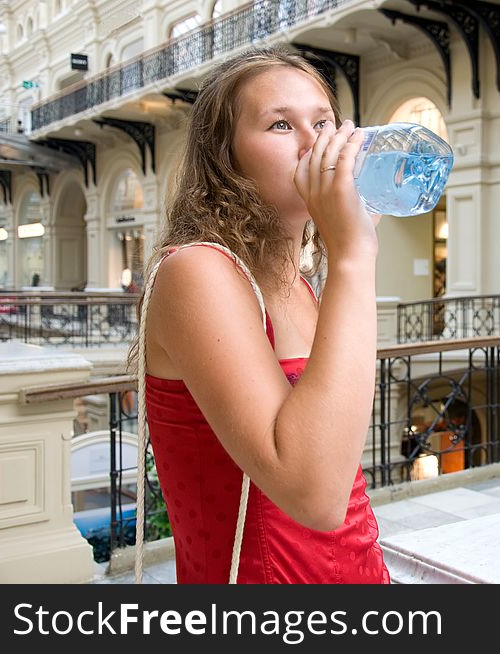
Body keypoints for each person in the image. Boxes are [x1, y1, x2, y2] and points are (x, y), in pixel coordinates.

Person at [128, 46, 388, 583]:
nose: (316, 144)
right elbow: (313, 495)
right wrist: (353, 255)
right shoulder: (196, 271)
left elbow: (341, 469)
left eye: (323, 121)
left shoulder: (304, 286)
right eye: (279, 125)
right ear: (226, 159)